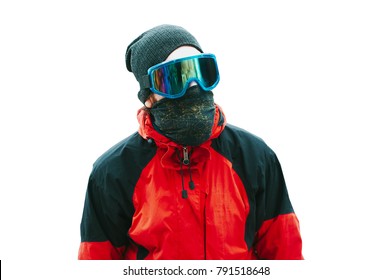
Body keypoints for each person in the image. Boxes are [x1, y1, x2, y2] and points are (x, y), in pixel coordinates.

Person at [78, 24, 303, 260]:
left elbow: (285, 254)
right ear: (149, 97)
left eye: (201, 71)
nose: (193, 86)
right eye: (176, 77)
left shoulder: (254, 157)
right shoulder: (113, 173)